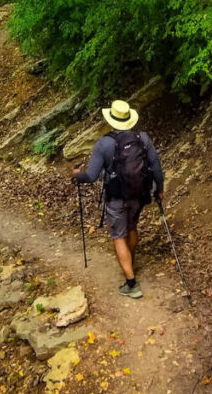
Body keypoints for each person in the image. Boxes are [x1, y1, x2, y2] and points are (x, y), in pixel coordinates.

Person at [72, 99, 164, 299]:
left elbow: (91, 176)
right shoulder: (143, 138)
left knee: (118, 235)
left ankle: (131, 283)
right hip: (139, 194)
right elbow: (156, 166)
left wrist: (76, 175)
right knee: (131, 228)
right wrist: (160, 190)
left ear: (111, 119)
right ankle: (130, 263)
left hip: (116, 197)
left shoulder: (104, 143)